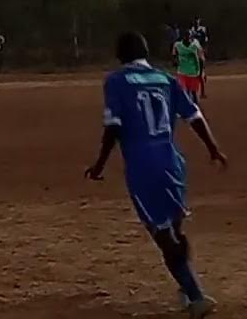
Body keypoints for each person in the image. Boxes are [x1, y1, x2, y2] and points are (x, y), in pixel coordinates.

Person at [84, 32, 227, 318]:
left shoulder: (116, 81)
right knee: (175, 229)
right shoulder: (165, 79)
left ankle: (196, 296)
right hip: (172, 161)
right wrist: (213, 149)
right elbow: (194, 117)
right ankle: (187, 290)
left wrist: (99, 164)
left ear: (119, 55)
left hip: (143, 165)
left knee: (163, 235)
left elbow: (113, 127)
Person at [172, 26, 207, 103]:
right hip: (182, 72)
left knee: (194, 93)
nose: (188, 37)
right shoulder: (177, 45)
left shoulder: (195, 45)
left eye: (189, 36)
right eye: (186, 36)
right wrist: (175, 61)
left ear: (191, 37)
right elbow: (174, 55)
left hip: (193, 73)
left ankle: (195, 108)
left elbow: (201, 59)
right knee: (185, 92)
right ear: (183, 37)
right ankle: (187, 110)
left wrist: (201, 71)